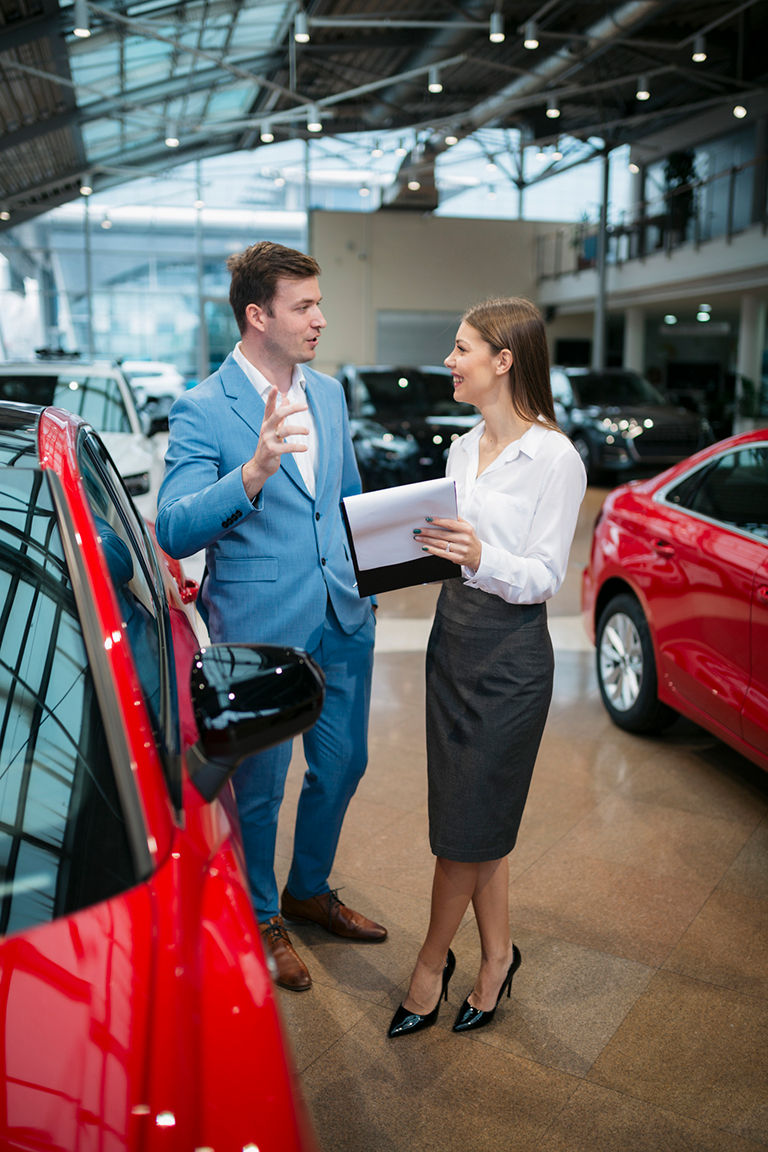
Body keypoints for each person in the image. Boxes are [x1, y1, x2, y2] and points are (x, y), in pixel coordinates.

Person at [155, 240, 385, 994]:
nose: (320, 318)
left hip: (343, 615)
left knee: (344, 765)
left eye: (319, 303)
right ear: (258, 316)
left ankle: (307, 888)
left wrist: (386, 561)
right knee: (260, 785)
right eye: (304, 306)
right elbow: (175, 527)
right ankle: (260, 917)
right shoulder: (202, 406)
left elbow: (345, 500)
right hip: (261, 625)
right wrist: (250, 474)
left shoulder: (329, 394)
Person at [387, 297, 586, 1038]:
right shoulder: (461, 449)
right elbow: (447, 545)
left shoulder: (556, 458)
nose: (450, 360)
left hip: (512, 659)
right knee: (480, 821)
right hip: (453, 641)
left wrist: (481, 556)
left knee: (463, 833)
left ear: (503, 361)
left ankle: (429, 965)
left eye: (462, 348)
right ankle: (498, 957)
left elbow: (542, 577)